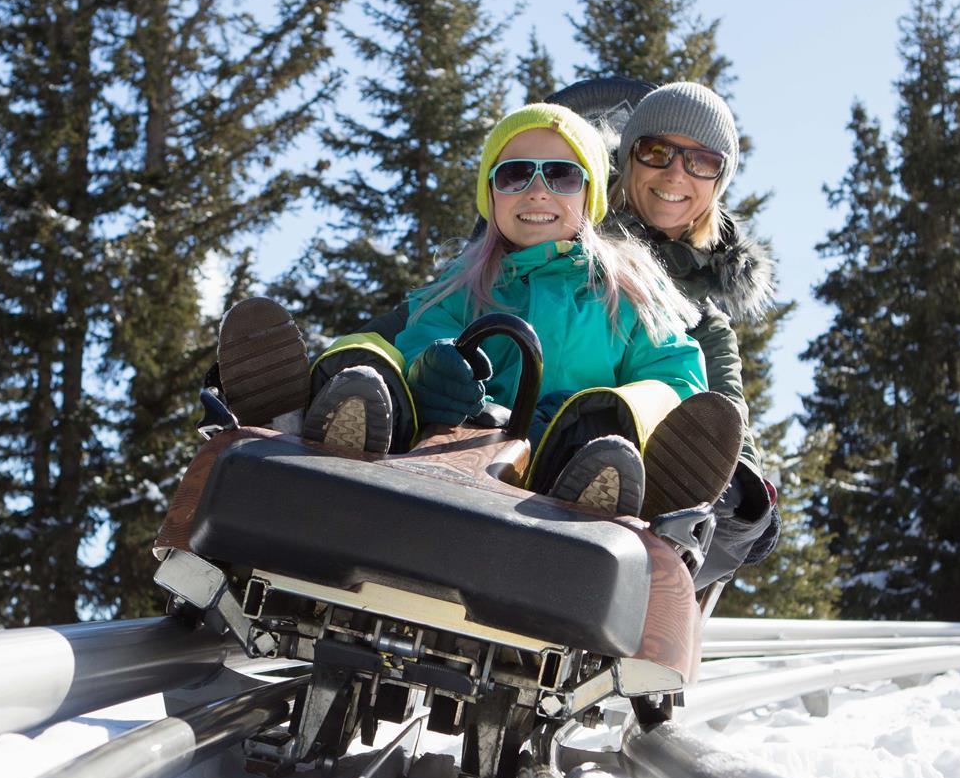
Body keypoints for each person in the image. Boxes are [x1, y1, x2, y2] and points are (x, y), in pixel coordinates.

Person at [218, 102, 742, 520]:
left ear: (590, 195)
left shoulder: (628, 290)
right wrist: (430, 370)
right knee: (375, 352)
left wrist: (598, 414)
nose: (537, 190)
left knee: (638, 405)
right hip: (449, 451)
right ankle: (311, 414)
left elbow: (676, 375)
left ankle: (608, 476)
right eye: (515, 175)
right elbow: (424, 332)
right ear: (490, 194)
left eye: (560, 176)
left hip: (561, 466)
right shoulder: (466, 283)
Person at [605, 81, 780, 581]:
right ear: (628, 158)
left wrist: (735, 483)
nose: (676, 172)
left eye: (702, 161)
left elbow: (726, 414)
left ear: (718, 183)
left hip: (632, 503)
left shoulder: (702, 324)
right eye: (657, 150)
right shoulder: (561, 238)